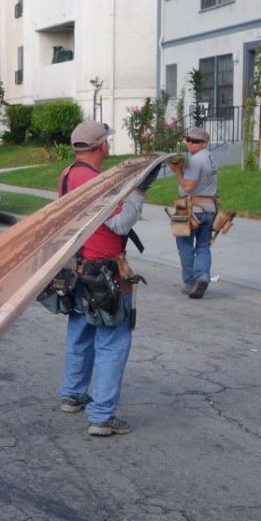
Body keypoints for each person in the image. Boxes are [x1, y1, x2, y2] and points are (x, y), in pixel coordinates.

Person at [56, 120, 154, 437]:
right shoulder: (96, 182)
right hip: (104, 273)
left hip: (77, 268)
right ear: (103, 146)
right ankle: (101, 416)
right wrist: (139, 191)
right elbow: (120, 224)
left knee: (80, 331)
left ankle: (73, 395)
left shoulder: (68, 174)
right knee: (112, 342)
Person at [168, 126, 218, 299]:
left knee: (185, 245)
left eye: (194, 141)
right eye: (188, 140)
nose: (189, 143)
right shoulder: (211, 157)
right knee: (203, 245)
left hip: (191, 209)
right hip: (210, 208)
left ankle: (190, 283)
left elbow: (189, 186)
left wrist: (178, 172)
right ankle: (203, 276)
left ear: (204, 143)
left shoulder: (195, 161)